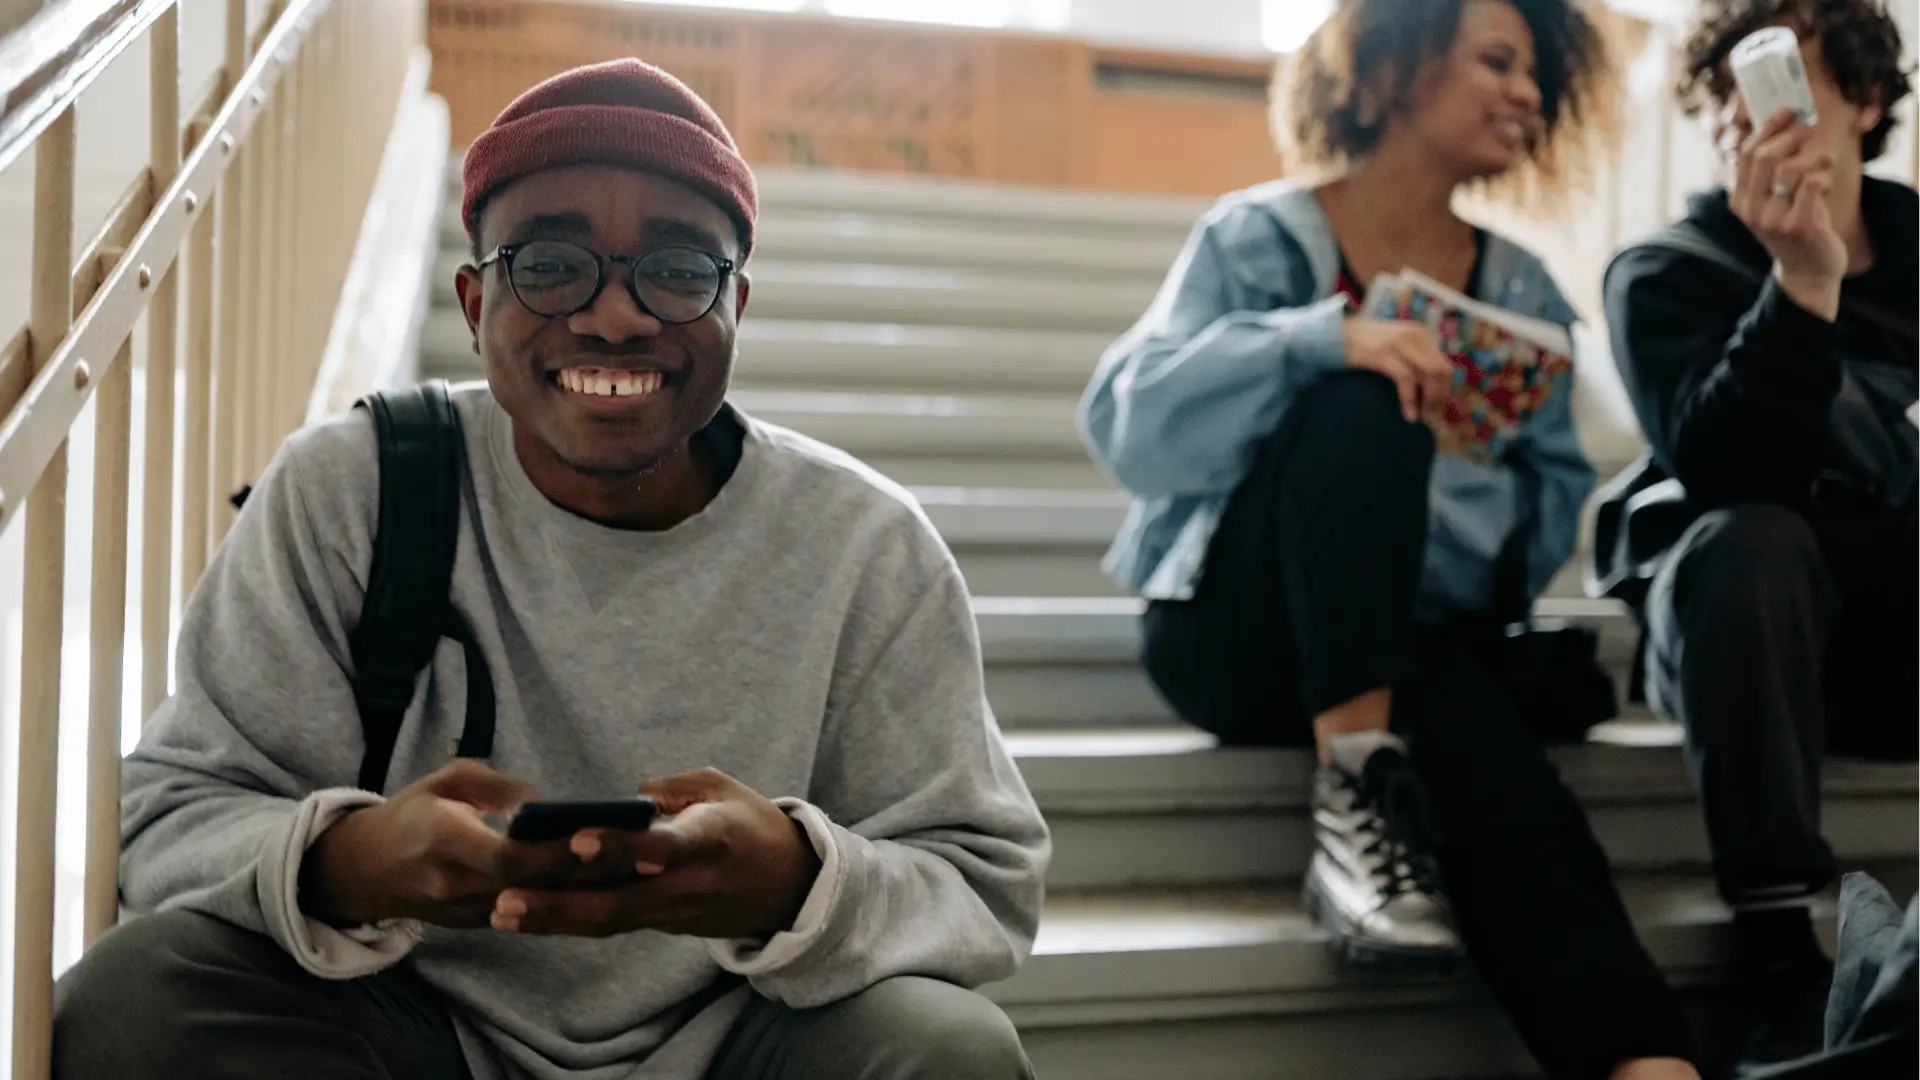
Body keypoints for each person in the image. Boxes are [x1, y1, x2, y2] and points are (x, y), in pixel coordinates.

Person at [50, 59, 1049, 1080]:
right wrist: (356, 862)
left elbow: (982, 883)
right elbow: (173, 812)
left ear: (736, 304)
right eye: (551, 264)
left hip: (739, 1046)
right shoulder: (353, 488)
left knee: (950, 1053)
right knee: (133, 1001)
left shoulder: (866, 547)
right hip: (409, 1035)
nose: (616, 317)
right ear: (475, 301)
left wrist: (797, 880)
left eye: (675, 268)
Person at [1079, 2, 1702, 1078]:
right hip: (1235, 634)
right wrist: (1324, 341)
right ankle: (1362, 793)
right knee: (1362, 404)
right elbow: (1128, 424)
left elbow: (1539, 528)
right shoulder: (1254, 237)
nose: (1526, 93)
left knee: (1491, 762)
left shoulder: (1522, 293)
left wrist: (1427, 492)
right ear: (1389, 68)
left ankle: (1647, 1065)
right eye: (1497, 62)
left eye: (1537, 75)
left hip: (1411, 635)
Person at [1596, 0, 1917, 1070]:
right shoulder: (1667, 270)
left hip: (1894, 638)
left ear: (1866, 100)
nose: (1744, 124)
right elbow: (1726, 468)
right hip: (1750, 637)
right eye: (1725, 102)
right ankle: (1780, 952)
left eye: (1776, 88)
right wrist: (1803, 285)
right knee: (1748, 539)